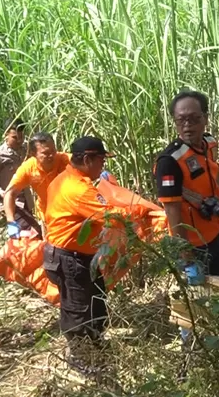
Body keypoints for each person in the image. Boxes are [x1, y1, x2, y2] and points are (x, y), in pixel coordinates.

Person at [42, 136, 144, 361]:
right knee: (78, 311)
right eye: (101, 160)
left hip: (81, 255)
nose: (103, 166)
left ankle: (96, 347)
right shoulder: (77, 189)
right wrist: (141, 211)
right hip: (69, 259)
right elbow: (110, 215)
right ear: (87, 159)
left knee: (95, 302)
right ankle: (82, 358)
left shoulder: (66, 179)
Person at [153, 91, 219, 285]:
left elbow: (216, 173)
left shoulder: (209, 143)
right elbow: (172, 213)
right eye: (181, 120)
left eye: (194, 119)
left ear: (205, 118)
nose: (187, 126)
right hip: (193, 245)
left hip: (214, 232)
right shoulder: (170, 161)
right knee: (202, 301)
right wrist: (187, 258)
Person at [2, 131, 70, 239]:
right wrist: (11, 222)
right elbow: (9, 194)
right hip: (48, 217)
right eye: (46, 153)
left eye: (53, 150)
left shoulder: (65, 160)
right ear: (33, 154)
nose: (51, 155)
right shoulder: (28, 168)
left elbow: (86, 163)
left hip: (70, 214)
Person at [0, 118, 39, 233]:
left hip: (29, 199)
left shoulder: (27, 149)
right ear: (6, 135)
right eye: (15, 137)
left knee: (30, 231)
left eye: (21, 137)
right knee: (28, 231)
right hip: (12, 201)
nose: (19, 140)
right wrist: (0, 193)